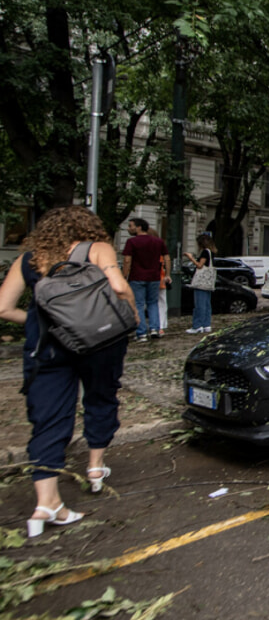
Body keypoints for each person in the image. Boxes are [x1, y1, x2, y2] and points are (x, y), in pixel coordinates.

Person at [0, 206, 134, 537]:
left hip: (46, 349)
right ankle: (94, 468)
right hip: (100, 341)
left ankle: (47, 503)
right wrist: (131, 313)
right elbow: (117, 287)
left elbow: (3, 307)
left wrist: (39, 322)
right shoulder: (97, 248)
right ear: (88, 226)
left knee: (48, 418)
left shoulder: (29, 259)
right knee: (101, 398)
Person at [122, 218, 169, 342]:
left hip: (137, 276)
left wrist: (124, 276)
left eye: (130, 226)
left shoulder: (131, 242)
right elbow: (167, 258)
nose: (128, 228)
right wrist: (167, 273)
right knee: (153, 303)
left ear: (138, 227)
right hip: (154, 277)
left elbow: (127, 260)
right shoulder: (158, 241)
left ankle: (141, 333)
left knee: (138, 304)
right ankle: (154, 329)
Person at [183, 234, 216, 333]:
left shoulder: (205, 252)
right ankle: (206, 324)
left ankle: (197, 325)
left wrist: (191, 258)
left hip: (201, 282)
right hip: (208, 283)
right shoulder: (212, 252)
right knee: (206, 304)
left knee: (199, 304)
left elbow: (199, 265)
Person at [149, 227, 170, 337]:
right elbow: (165, 261)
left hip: (149, 278)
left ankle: (154, 326)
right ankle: (160, 325)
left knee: (149, 302)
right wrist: (167, 274)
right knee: (160, 302)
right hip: (159, 277)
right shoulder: (160, 247)